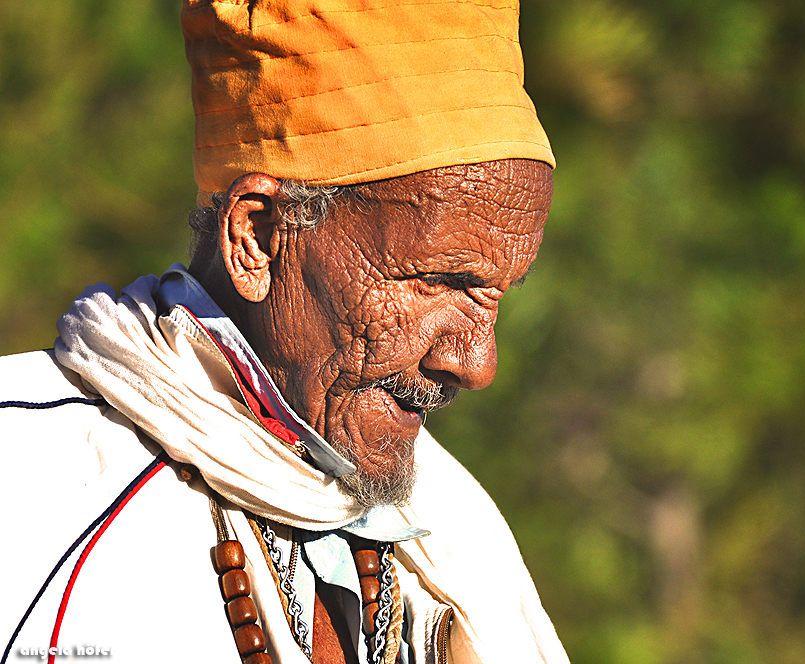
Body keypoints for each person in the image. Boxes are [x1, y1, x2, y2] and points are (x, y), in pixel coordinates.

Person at [0, 1, 568, 663]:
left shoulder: (460, 533)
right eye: (440, 281)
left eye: (498, 293)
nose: (477, 363)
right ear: (259, 238)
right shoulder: (29, 485)